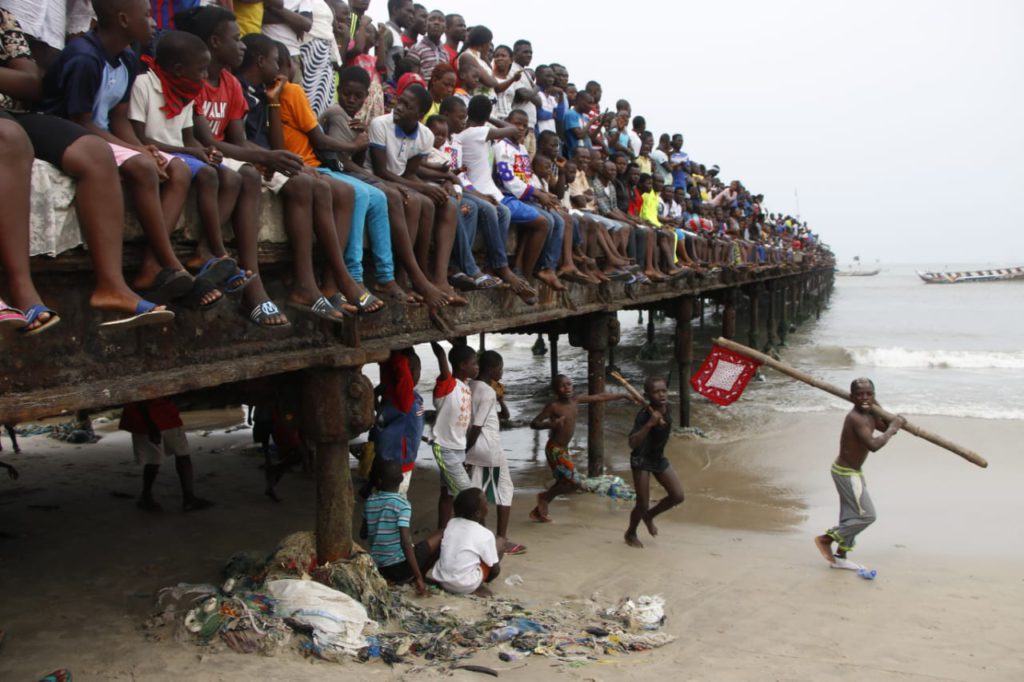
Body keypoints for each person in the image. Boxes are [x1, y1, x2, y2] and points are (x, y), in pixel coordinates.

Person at [0, 7, 174, 331]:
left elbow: (30, 81)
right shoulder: (86, 56)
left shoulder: (3, 18)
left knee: (95, 152)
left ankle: (111, 285)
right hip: (7, 127)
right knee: (10, 140)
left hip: (15, 111)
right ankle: (21, 289)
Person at [42, 0, 202, 307]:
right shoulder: (84, 58)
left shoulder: (127, 59)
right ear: (123, 19)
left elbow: (118, 117)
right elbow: (82, 122)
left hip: (109, 137)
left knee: (178, 169)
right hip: (73, 135)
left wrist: (142, 147)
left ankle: (151, 265)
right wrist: (135, 153)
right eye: (147, 16)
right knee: (143, 168)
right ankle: (172, 263)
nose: (154, 23)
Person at [129, 30, 248, 310]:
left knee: (227, 176)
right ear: (179, 69)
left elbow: (188, 137)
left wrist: (205, 151)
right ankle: (156, 260)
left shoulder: (186, 92)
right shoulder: (144, 85)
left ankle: (207, 252)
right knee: (202, 173)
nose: (205, 76)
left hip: (180, 154)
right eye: (201, 70)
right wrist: (191, 152)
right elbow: (141, 137)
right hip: (159, 153)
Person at [321, 64, 448, 307]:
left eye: (407, 106)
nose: (398, 108)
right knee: (395, 197)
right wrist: (358, 146)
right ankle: (398, 276)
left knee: (425, 204)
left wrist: (441, 182)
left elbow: (408, 172)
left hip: (373, 177)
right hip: (367, 176)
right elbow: (366, 167)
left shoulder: (422, 135)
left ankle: (406, 274)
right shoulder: (358, 119)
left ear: (420, 115)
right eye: (399, 102)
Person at [815, 378, 906, 568]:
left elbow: (881, 425)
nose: (864, 398)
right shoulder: (855, 417)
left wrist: (883, 413)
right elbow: (873, 444)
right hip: (846, 473)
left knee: (851, 516)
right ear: (852, 397)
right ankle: (826, 539)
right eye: (860, 394)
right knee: (866, 516)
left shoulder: (869, 413)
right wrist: (893, 428)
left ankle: (840, 558)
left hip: (854, 471)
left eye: (869, 394)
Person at [528, 374, 629, 522]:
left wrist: (623, 395)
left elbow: (600, 397)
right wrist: (551, 424)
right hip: (554, 449)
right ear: (556, 390)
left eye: (569, 384)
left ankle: (538, 511)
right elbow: (534, 423)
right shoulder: (553, 406)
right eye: (562, 386)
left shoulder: (575, 400)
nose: (567, 388)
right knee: (572, 482)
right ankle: (544, 498)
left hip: (563, 449)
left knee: (564, 481)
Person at [466, 350, 526, 555]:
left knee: (477, 490)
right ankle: (501, 539)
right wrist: (466, 451)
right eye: (500, 368)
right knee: (504, 490)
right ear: (491, 369)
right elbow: (477, 425)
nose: (502, 372)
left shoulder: (470, 386)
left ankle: (478, 534)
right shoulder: (488, 392)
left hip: (475, 448)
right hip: (488, 448)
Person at [119, 398, 214, 513]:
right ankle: (147, 496)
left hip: (166, 414)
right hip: (146, 417)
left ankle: (188, 498)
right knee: (154, 460)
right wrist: (151, 425)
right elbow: (138, 397)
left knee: (181, 454)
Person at [363, 459, 441, 595]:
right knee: (443, 533)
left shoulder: (370, 502)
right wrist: (417, 576)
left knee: (416, 546)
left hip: (379, 567)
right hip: (400, 568)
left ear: (379, 481)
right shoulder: (402, 505)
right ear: (401, 479)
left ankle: (414, 576)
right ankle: (418, 576)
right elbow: (405, 542)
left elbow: (363, 534)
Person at [623, 376, 685, 548]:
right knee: (642, 503)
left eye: (663, 390)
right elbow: (632, 443)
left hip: (657, 457)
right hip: (641, 459)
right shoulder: (644, 415)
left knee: (677, 495)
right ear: (647, 395)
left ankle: (649, 516)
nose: (661, 395)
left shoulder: (668, 407)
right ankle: (631, 533)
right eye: (656, 392)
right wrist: (650, 424)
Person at [427, 487, 502, 596]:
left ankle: (462, 583)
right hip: (465, 585)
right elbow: (495, 570)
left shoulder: (451, 523)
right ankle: (475, 587)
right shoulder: (486, 534)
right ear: (478, 513)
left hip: (442, 581)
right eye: (486, 504)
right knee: (498, 546)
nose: (488, 506)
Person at [406, 8, 447, 81]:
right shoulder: (416, 49)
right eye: (432, 19)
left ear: (445, 28)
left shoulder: (445, 53)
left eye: (441, 20)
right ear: (425, 24)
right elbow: (412, 76)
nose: (436, 22)